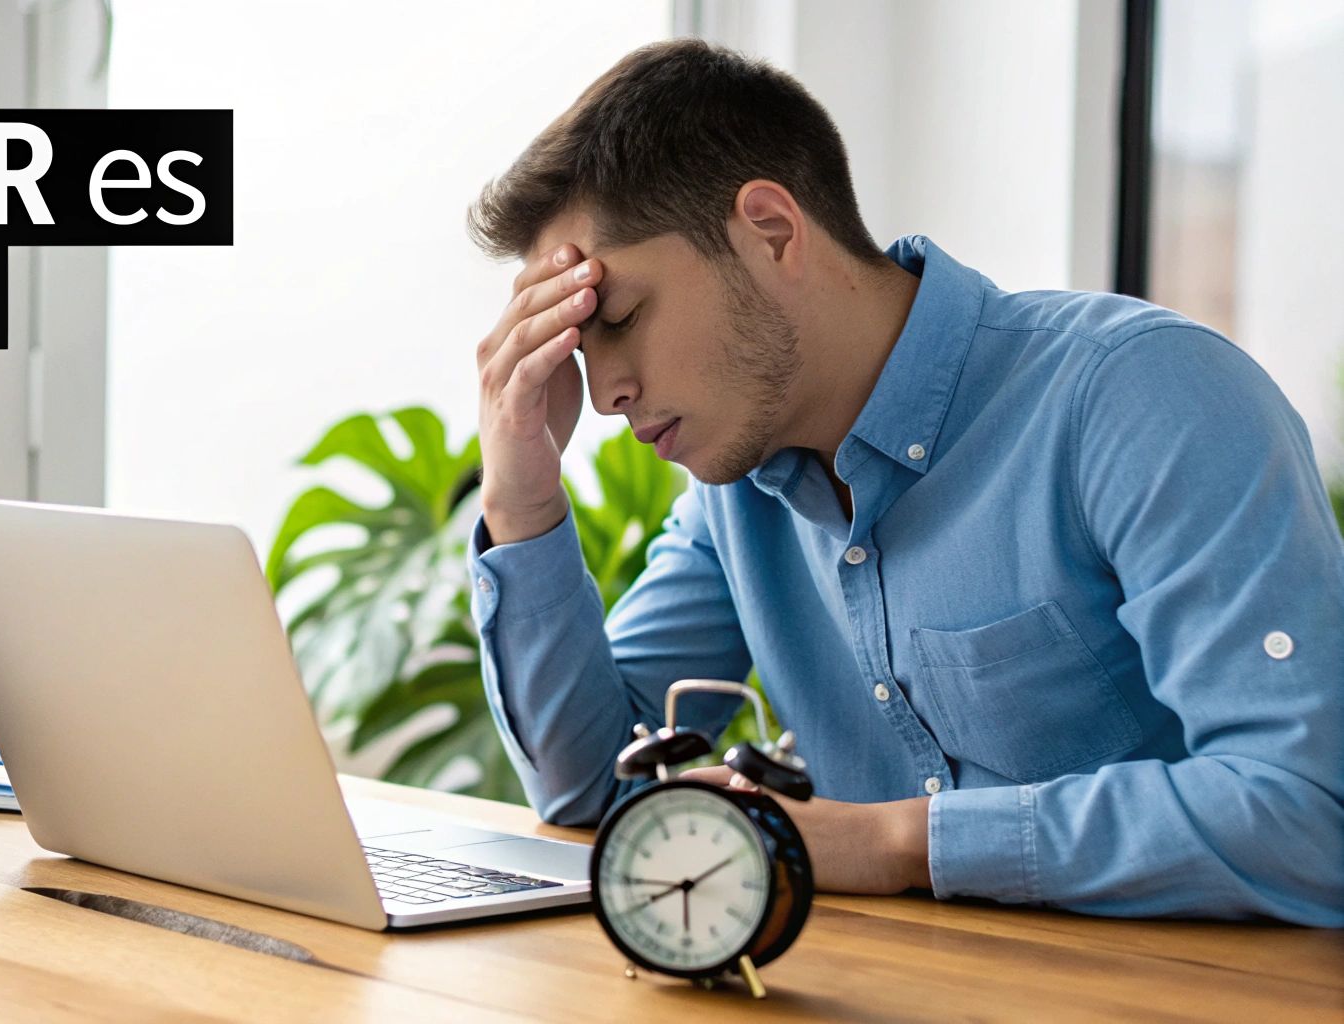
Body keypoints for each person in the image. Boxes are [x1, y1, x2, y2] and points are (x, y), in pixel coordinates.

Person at [464, 38, 1342, 925]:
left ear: (770, 231)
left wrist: (895, 843)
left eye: (618, 317)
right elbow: (584, 788)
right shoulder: (738, 493)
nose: (606, 392)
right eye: (579, 350)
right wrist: (521, 498)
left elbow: (1309, 812)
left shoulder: (1141, 397)